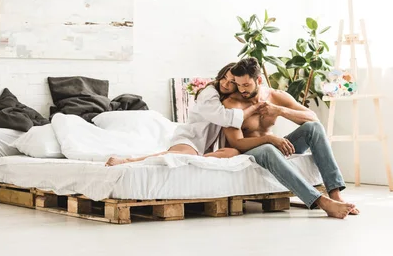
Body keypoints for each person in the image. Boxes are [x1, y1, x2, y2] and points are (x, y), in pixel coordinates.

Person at [223, 57, 359, 219]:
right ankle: (322, 202)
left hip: (275, 146)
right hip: (253, 150)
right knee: (267, 149)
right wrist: (270, 139)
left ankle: (335, 195)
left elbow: (312, 117)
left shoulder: (275, 96)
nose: (242, 89)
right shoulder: (231, 103)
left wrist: (280, 111)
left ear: (258, 80)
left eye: (246, 85)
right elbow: (237, 142)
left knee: (313, 128)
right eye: (238, 84)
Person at [106, 62, 262, 166]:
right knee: (181, 155)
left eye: (232, 82)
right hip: (190, 138)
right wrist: (255, 108)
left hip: (204, 146)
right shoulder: (209, 93)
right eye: (224, 78)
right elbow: (224, 118)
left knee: (231, 153)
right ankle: (128, 161)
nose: (225, 84)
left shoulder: (227, 98)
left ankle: (198, 160)